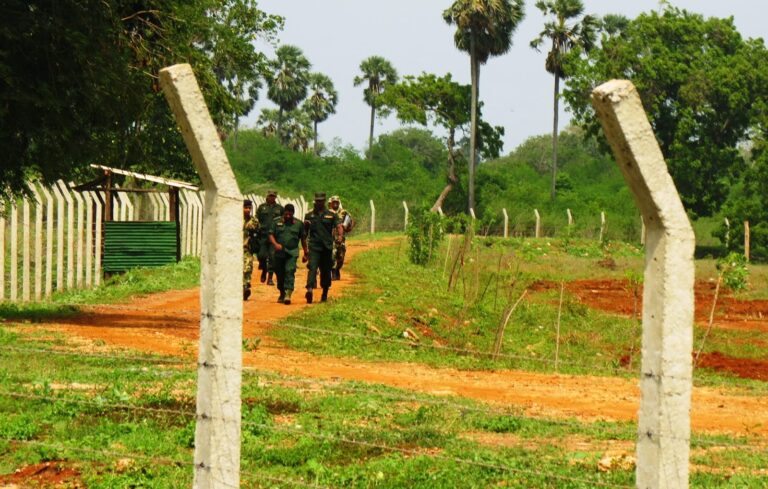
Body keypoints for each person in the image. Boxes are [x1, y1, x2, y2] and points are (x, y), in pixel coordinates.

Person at [303, 192, 343, 303]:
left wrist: (340, 236)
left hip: (327, 247)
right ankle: (310, 289)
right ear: (315, 201)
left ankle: (324, 292)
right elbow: (305, 231)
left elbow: (339, 226)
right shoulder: (309, 215)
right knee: (312, 268)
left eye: (321, 200)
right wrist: (305, 249)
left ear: (324, 201)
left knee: (326, 271)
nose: (319, 202)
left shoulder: (331, 214)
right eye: (317, 200)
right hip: (314, 246)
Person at [268, 204, 308, 305]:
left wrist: (306, 252)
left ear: (293, 213)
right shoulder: (276, 222)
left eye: (290, 214)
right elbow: (270, 234)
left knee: (290, 271)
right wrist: (275, 244)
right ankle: (282, 292)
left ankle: (288, 294)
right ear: (284, 213)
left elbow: (303, 239)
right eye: (286, 214)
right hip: (279, 253)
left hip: (292, 252)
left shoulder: (298, 224)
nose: (288, 216)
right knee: (280, 274)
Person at [255, 190, 283, 286]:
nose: (272, 198)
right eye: (270, 196)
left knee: (272, 257)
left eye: (273, 196)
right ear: (267, 196)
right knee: (261, 256)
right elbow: (256, 220)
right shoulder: (261, 208)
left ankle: (270, 278)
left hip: (274, 237)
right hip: (263, 236)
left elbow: (282, 221)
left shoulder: (279, 209)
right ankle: (264, 269)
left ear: (275, 197)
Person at [329, 195, 353, 280]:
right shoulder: (327, 212)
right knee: (332, 255)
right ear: (331, 203)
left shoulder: (344, 213)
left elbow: (350, 223)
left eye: (336, 202)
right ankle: (334, 272)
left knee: (341, 256)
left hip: (340, 238)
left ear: (338, 203)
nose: (335, 204)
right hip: (330, 238)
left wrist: (346, 227)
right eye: (333, 202)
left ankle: (337, 269)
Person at [242, 199, 259, 301]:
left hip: (247, 248)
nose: (247, 210)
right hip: (234, 249)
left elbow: (258, 235)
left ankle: (246, 286)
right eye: (245, 208)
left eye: (249, 208)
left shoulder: (254, 221)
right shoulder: (236, 219)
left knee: (247, 267)